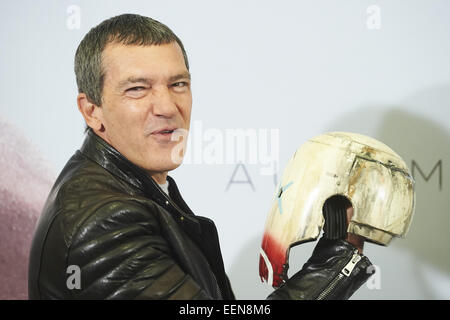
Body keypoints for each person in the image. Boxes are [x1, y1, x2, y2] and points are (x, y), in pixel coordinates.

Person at [28, 14, 373, 300]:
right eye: (137, 88)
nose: (166, 107)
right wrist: (337, 260)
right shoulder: (108, 222)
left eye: (178, 84)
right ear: (91, 110)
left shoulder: (132, 187)